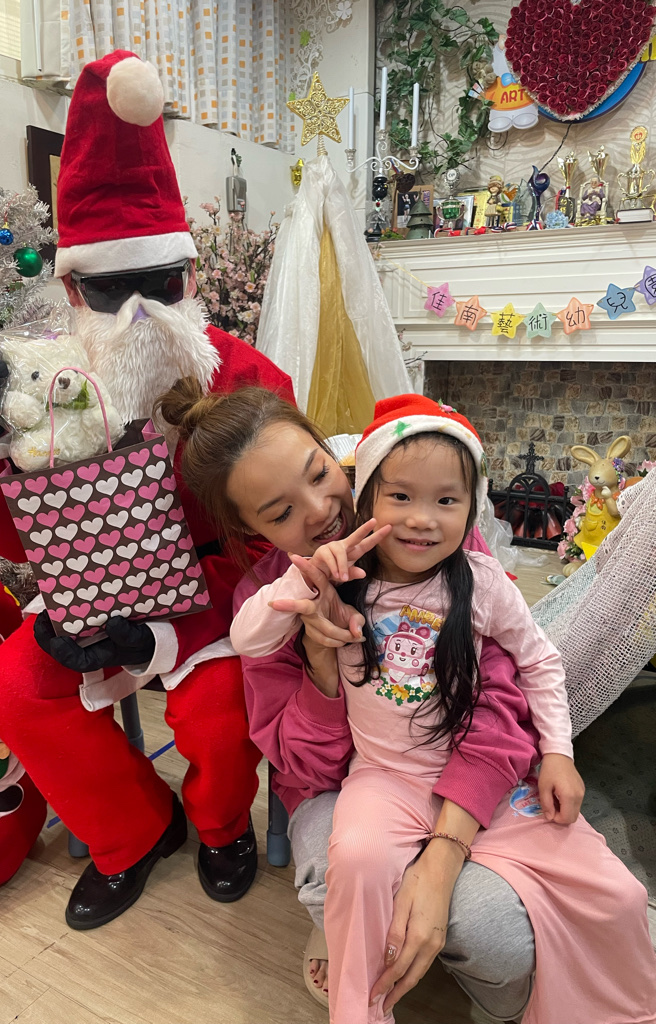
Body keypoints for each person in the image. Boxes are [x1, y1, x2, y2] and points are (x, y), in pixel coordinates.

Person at [0, 51, 294, 930]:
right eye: (111, 287)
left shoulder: (246, 378)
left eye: (160, 285)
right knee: (16, 691)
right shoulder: (45, 383)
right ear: (71, 287)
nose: (139, 312)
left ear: (190, 278)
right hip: (87, 598)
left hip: (215, 599)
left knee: (216, 712)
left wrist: (174, 626)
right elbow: (13, 538)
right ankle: (134, 830)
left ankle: (221, 827)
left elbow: (280, 538)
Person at [229, 392, 656, 1024]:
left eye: (446, 501)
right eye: (401, 497)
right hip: (381, 778)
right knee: (357, 861)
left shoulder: (479, 582)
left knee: (617, 894)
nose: (422, 520)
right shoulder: (342, 579)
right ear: (371, 496)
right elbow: (247, 638)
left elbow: (538, 663)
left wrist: (559, 753)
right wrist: (307, 577)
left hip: (482, 779)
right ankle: (359, 1009)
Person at [154, 378, 553, 1020]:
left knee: (496, 937)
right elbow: (308, 770)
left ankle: (466, 977)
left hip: (451, 761)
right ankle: (349, 936)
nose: (319, 512)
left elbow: (501, 695)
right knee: (340, 877)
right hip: (346, 785)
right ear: (249, 529)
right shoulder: (273, 600)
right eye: (279, 513)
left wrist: (447, 847)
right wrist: (321, 665)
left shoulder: (427, 537)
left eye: (320, 474)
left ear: (335, 451)